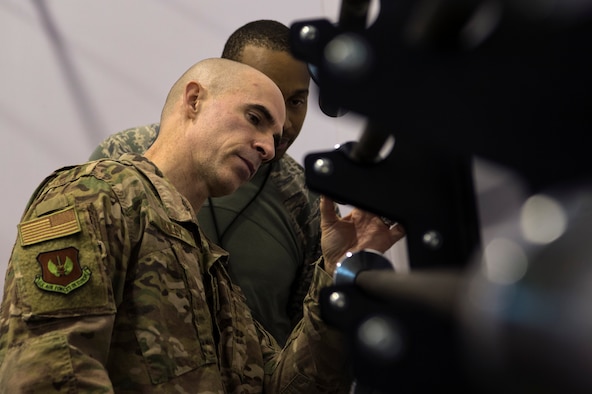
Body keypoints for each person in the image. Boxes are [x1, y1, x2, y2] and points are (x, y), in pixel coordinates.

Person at [0, 57, 405, 392]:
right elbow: (49, 374)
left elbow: (285, 386)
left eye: (275, 136)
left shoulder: (212, 273)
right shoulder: (98, 195)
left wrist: (337, 272)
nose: (268, 147)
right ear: (194, 100)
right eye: (255, 117)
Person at [89, 20, 326, 345]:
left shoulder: (307, 201)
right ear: (203, 95)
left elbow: (306, 344)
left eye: (296, 102)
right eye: (258, 110)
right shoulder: (122, 160)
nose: (280, 125)